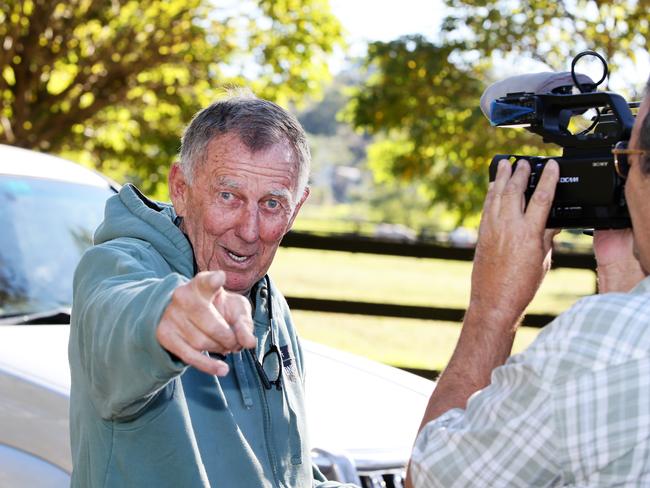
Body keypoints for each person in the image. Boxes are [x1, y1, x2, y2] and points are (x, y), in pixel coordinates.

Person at [69, 91, 355, 487]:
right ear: (181, 189)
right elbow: (118, 317)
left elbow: (284, 475)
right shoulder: (117, 265)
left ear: (297, 209)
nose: (249, 230)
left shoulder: (269, 305)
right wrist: (166, 316)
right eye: (228, 196)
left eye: (272, 204)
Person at [407, 75, 650, 487]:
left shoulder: (605, 344)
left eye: (626, 155)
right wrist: (622, 278)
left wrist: (492, 310)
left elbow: (431, 479)